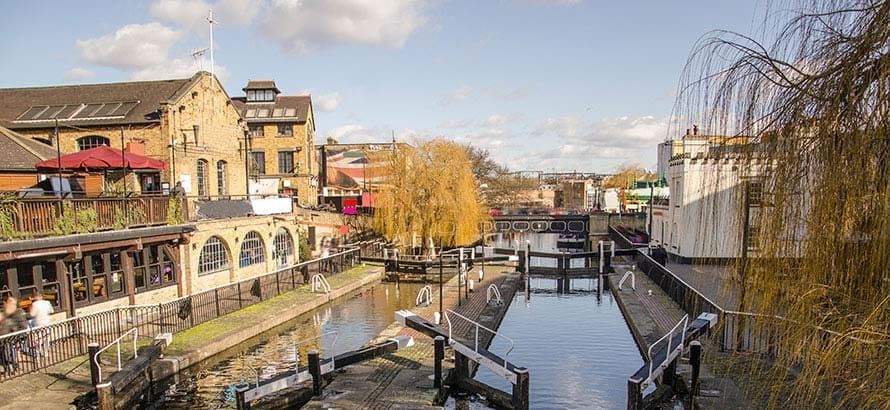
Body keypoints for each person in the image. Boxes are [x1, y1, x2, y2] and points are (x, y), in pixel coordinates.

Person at [0, 296, 28, 374]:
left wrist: (17, 334)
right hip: (5, 337)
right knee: (6, 354)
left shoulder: (17, 312)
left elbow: (21, 325)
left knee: (8, 354)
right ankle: (10, 368)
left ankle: (12, 368)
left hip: (10, 337)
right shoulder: (6, 312)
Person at [29, 292, 53, 357]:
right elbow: (51, 311)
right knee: (46, 338)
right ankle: (46, 352)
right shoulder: (47, 302)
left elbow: (32, 314)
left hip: (38, 323)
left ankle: (38, 352)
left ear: (36, 297)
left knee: (38, 339)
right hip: (46, 322)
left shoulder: (34, 304)